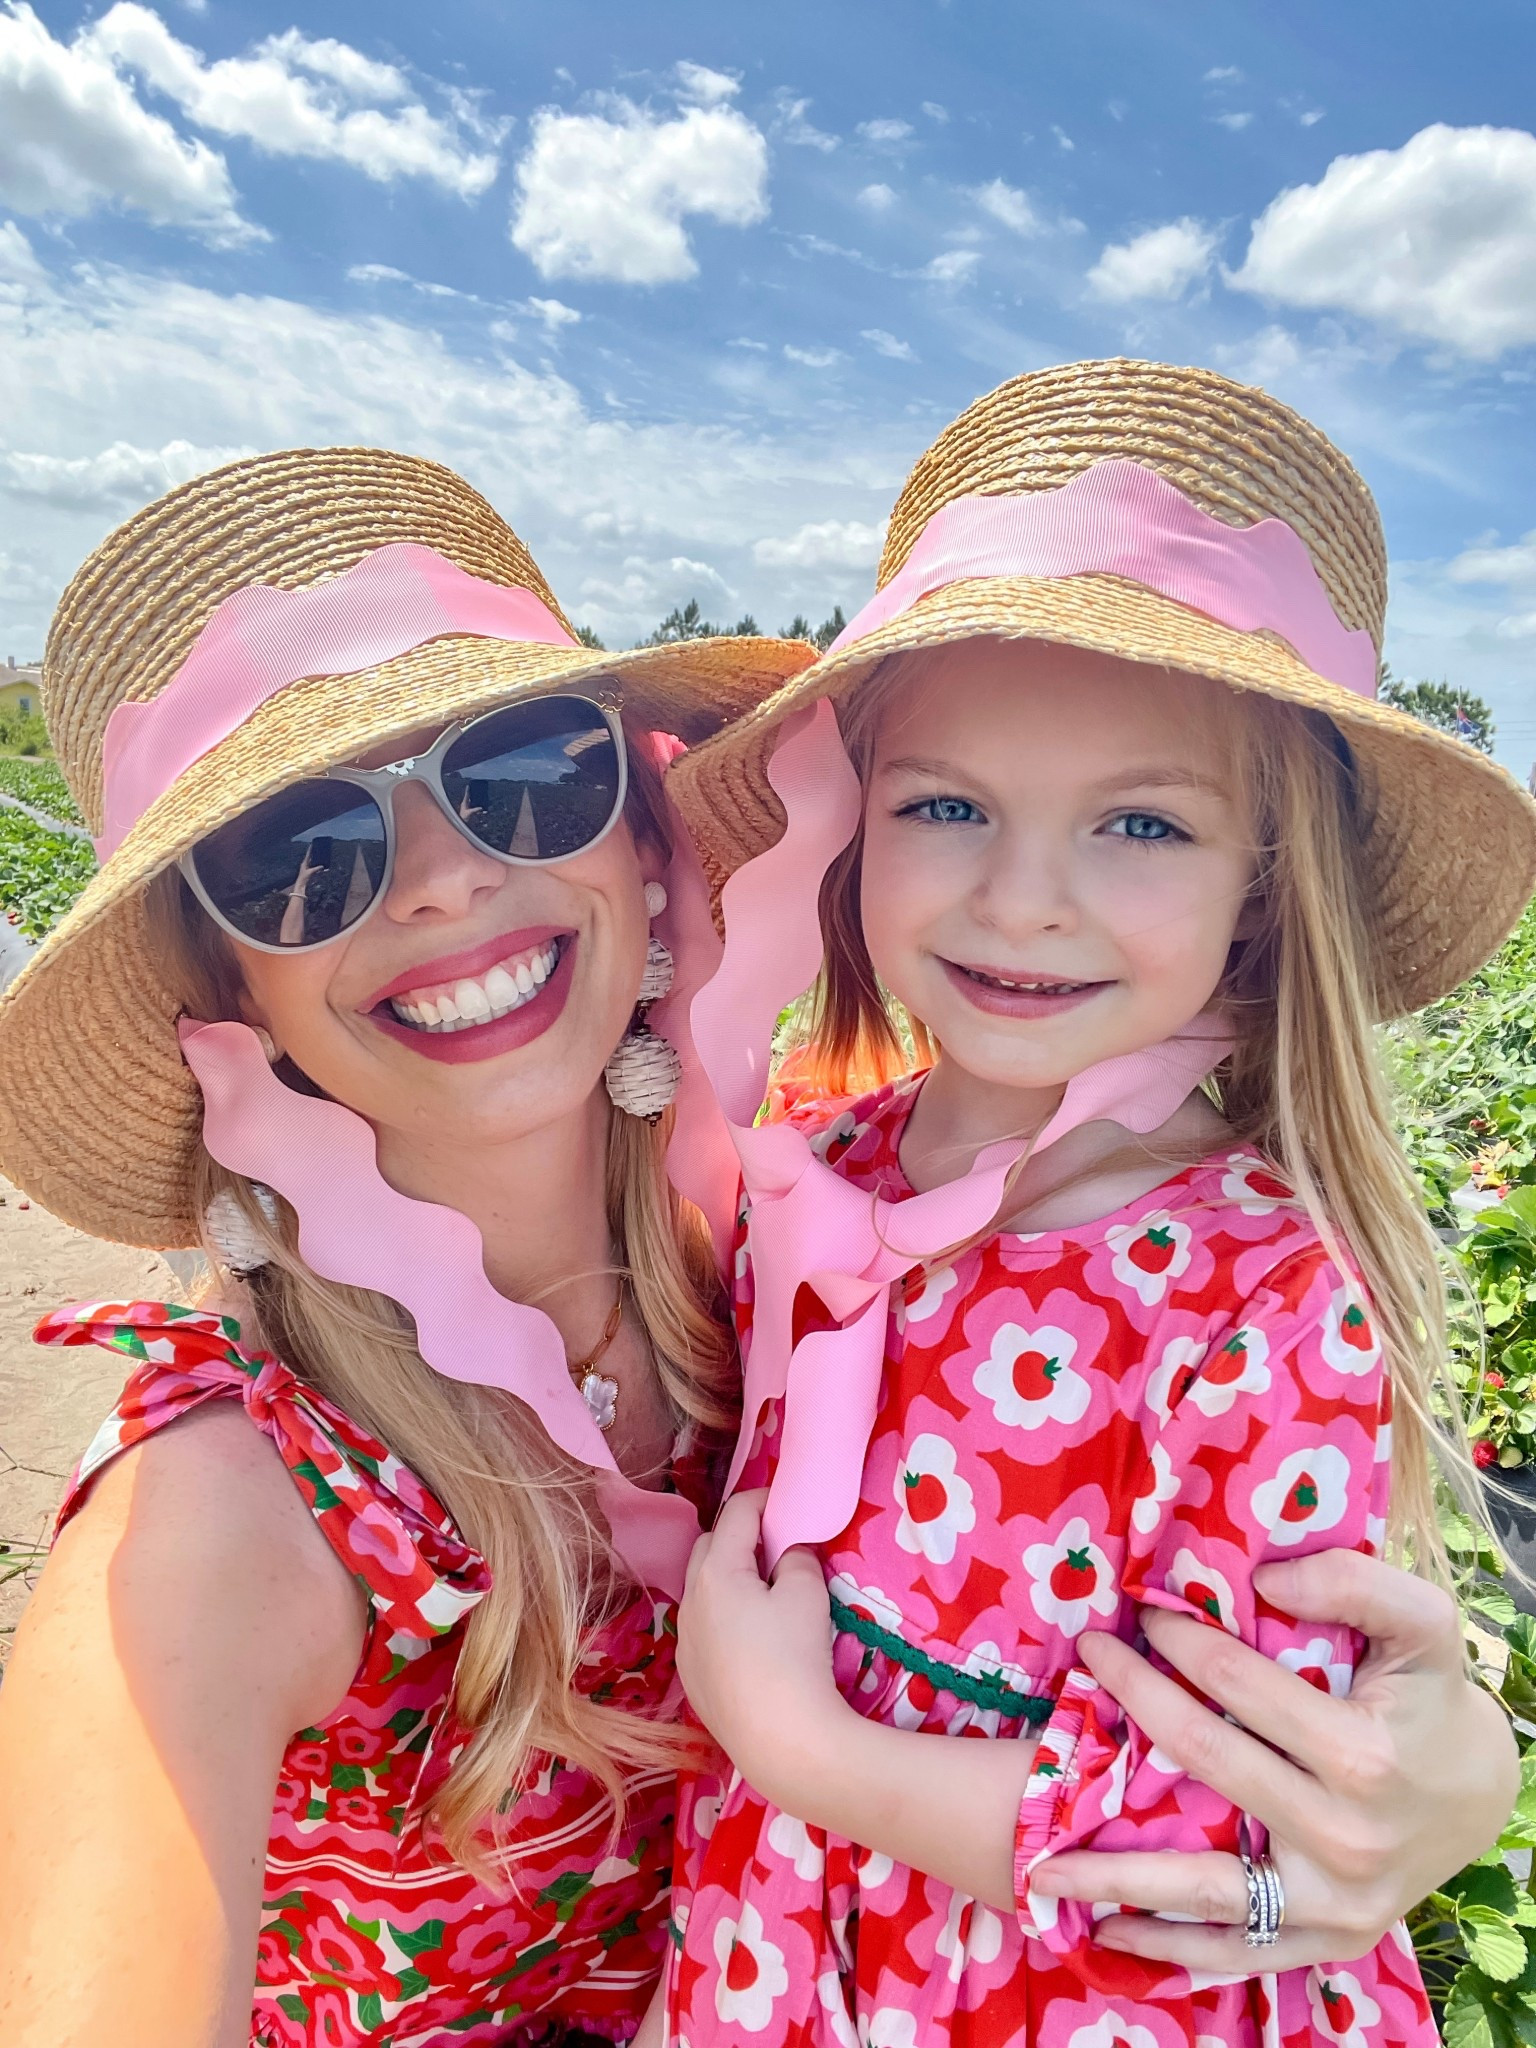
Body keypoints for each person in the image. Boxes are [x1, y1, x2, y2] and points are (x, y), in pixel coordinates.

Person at [658, 360, 1536, 2044]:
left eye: (1140, 823)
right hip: (779, 1951)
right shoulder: (822, 1173)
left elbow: (1243, 1825)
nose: (1023, 898)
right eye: (947, 807)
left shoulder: (1262, 1290)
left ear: (1263, 891)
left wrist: (799, 1750)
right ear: (850, 836)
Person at [0, 446, 814, 2048]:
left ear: (644, 839)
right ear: (227, 988)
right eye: (302, 854)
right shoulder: (228, 1532)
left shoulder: (805, 1276)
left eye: (521, 773)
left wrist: (1392, 1821)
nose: (446, 880)